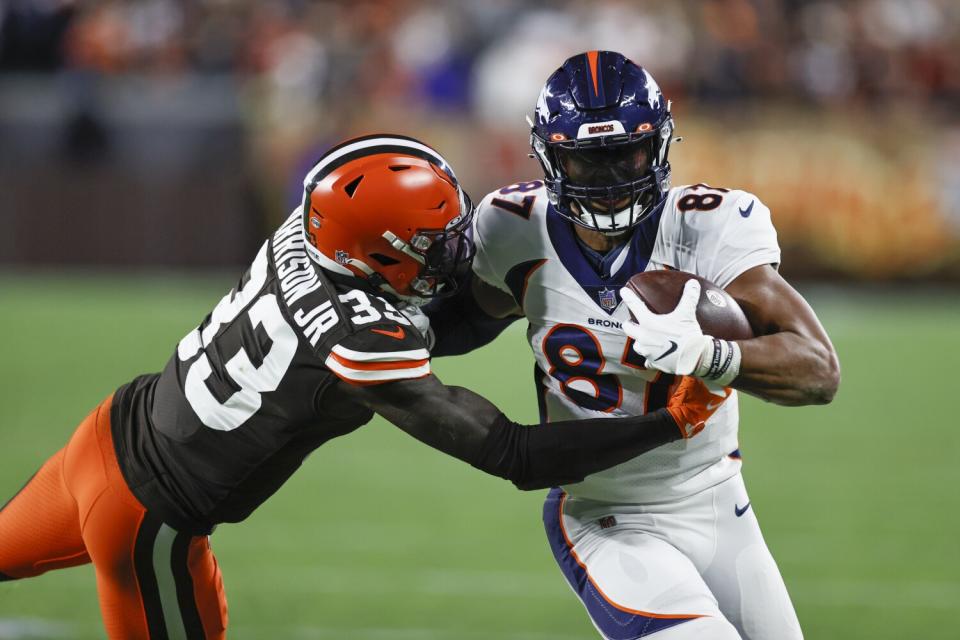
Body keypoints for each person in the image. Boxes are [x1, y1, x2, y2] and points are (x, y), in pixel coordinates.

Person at [0, 134, 728, 639]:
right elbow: (514, 454)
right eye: (436, 243)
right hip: (149, 525)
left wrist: (513, 294)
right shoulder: (357, 341)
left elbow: (421, 311)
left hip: (107, 433)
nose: (457, 248)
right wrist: (669, 421)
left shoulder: (316, 226)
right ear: (375, 252)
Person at [423, 52, 840, 639]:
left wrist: (708, 356)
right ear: (551, 156)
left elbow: (818, 370)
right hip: (604, 513)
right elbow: (467, 319)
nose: (610, 178)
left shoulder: (709, 225)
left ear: (658, 147)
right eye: (586, 161)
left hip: (717, 496)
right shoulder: (511, 227)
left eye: (625, 154)